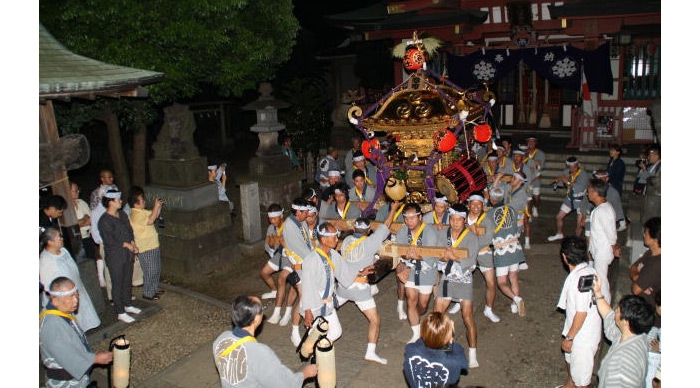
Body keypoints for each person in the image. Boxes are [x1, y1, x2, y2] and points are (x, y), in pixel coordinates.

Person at [336, 203, 400, 364]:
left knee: (329, 308)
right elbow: (386, 225)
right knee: (375, 320)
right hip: (359, 288)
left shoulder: (345, 241)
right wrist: (393, 209)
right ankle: (370, 352)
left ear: (355, 229)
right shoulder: (371, 242)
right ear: (368, 230)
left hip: (343, 287)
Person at [213, 295, 317, 388]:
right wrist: (305, 374)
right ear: (256, 319)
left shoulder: (221, 339)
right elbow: (285, 384)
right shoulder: (259, 353)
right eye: (261, 309)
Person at [40, 277, 113, 388]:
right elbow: (66, 354)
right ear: (55, 300)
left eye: (76, 295)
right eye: (71, 297)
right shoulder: (52, 324)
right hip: (65, 382)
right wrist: (95, 358)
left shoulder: (60, 312)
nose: (76, 300)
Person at [433, 203, 482, 368]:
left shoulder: (471, 237)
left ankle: (473, 353)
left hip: (464, 279)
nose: (455, 222)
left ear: (464, 221)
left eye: (459, 220)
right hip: (447, 277)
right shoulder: (442, 234)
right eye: (452, 219)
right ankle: (441, 348)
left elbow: (472, 261)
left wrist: (455, 258)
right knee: (437, 315)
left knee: (467, 316)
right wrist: (443, 258)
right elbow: (437, 255)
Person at [592, 277, 655, 388]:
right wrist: (597, 292)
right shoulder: (636, 335)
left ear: (626, 322)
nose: (615, 311)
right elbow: (608, 315)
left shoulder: (622, 363)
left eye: (618, 310)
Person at [556, 236, 601, 388]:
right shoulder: (589, 270)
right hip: (580, 329)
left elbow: (581, 313)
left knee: (582, 378)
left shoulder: (579, 280)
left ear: (564, 257)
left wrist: (569, 338)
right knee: (570, 360)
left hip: (583, 335)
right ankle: (570, 384)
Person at [40, 227, 101, 331]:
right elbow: (48, 285)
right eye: (59, 237)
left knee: (83, 312)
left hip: (75, 286)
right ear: (50, 242)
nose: (62, 239)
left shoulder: (63, 250)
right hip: (63, 295)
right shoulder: (45, 260)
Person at [395, 203, 439, 343]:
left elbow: (431, 254)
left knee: (423, 304)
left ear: (420, 217)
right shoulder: (402, 232)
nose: (409, 221)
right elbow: (401, 251)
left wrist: (418, 255)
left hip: (426, 270)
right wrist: (406, 256)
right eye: (406, 218)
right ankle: (416, 332)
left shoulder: (430, 231)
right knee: (411, 300)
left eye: (412, 218)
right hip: (411, 270)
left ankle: (416, 316)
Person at [98, 189, 142, 323]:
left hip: (127, 255)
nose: (121, 202)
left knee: (127, 280)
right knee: (117, 283)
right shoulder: (104, 220)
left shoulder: (122, 214)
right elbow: (109, 240)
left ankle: (128, 304)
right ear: (110, 202)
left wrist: (133, 243)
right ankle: (120, 311)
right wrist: (127, 245)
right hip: (115, 256)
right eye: (118, 200)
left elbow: (129, 230)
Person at [300, 222, 348, 342]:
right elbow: (306, 288)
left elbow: (344, 271)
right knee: (314, 338)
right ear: (324, 239)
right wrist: (308, 312)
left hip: (327, 303)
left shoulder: (333, 254)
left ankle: (320, 351)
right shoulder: (310, 260)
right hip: (314, 304)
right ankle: (315, 356)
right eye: (334, 237)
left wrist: (361, 273)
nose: (337, 240)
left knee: (336, 332)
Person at [486, 187, 527, 318]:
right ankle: (514, 306)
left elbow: (487, 235)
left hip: (502, 251)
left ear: (491, 200)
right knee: (514, 277)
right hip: (515, 248)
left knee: (502, 282)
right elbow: (519, 227)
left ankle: (516, 299)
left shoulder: (489, 214)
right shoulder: (512, 210)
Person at [403, 312, 468, 388]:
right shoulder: (454, 361)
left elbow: (422, 341)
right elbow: (462, 363)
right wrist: (451, 337)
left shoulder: (411, 350)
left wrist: (432, 332)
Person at [280, 198, 314, 345]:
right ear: (298, 211)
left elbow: (308, 245)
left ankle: (309, 325)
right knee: (304, 299)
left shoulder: (302, 222)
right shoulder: (289, 226)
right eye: (306, 211)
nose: (308, 214)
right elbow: (301, 250)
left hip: (307, 264)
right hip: (298, 267)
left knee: (306, 298)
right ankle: (294, 331)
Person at [465, 194, 500, 324]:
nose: (476, 207)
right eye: (473, 204)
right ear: (468, 205)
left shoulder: (487, 220)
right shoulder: (463, 218)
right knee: (459, 280)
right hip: (466, 253)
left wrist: (471, 235)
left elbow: (487, 239)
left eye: (479, 204)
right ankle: (458, 301)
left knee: (491, 283)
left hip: (483, 252)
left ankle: (489, 309)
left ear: (483, 205)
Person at [127, 186, 165, 301]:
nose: (144, 201)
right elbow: (150, 221)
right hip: (145, 247)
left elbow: (154, 215)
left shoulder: (142, 211)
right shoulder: (135, 215)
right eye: (141, 200)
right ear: (135, 203)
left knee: (156, 269)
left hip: (152, 244)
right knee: (150, 271)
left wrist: (158, 207)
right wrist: (156, 207)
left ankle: (153, 288)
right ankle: (148, 293)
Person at [585, 178, 618, 303]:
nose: (587, 194)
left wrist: (614, 247)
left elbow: (611, 233)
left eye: (589, 191)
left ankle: (605, 307)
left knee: (602, 280)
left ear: (595, 193)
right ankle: (599, 300)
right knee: (599, 278)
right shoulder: (601, 208)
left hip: (603, 251)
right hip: (599, 249)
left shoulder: (603, 210)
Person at [630, 216, 661, 329]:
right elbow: (633, 267)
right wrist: (638, 278)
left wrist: (638, 282)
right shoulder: (650, 253)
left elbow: (636, 289)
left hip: (651, 320)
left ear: (655, 240)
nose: (643, 235)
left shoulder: (656, 265)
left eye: (646, 233)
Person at [548, 157, 589, 241]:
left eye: (574, 167)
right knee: (559, 217)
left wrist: (566, 181)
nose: (572, 169)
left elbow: (579, 188)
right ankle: (559, 234)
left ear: (577, 165)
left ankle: (577, 240)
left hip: (581, 200)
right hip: (570, 199)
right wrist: (557, 181)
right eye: (570, 167)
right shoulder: (566, 172)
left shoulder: (583, 174)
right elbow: (561, 181)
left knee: (579, 224)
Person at [90, 184, 117, 302]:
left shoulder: (117, 211)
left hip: (118, 243)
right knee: (110, 270)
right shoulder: (97, 212)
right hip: (106, 244)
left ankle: (123, 292)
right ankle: (112, 295)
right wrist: (103, 241)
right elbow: (95, 232)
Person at [259, 203, 285, 301]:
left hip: (289, 257)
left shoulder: (288, 226)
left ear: (281, 216)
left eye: (275, 218)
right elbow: (268, 244)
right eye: (270, 219)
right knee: (263, 273)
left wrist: (277, 241)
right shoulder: (271, 228)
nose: (272, 221)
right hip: (277, 255)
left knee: (282, 279)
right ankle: (274, 291)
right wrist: (272, 245)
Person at [524, 136, 546, 218]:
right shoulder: (524, 152)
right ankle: (528, 214)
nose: (531, 144)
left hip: (536, 178)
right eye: (529, 142)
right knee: (528, 197)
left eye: (533, 142)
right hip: (526, 178)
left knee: (536, 197)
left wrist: (533, 163)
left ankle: (535, 207)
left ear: (536, 143)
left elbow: (540, 166)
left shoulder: (540, 153)